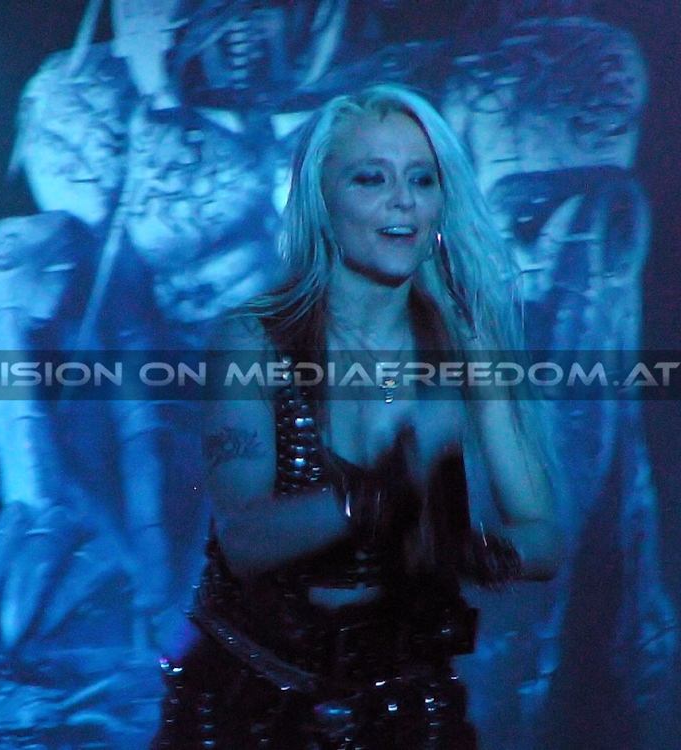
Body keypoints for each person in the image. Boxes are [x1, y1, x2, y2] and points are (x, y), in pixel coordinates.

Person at [152, 84, 562, 749]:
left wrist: (480, 552)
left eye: (422, 179)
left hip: (406, 700)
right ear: (322, 200)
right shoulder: (255, 339)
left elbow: (543, 539)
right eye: (372, 178)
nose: (404, 200)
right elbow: (245, 538)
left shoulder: (466, 343)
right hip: (249, 700)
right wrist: (385, 489)